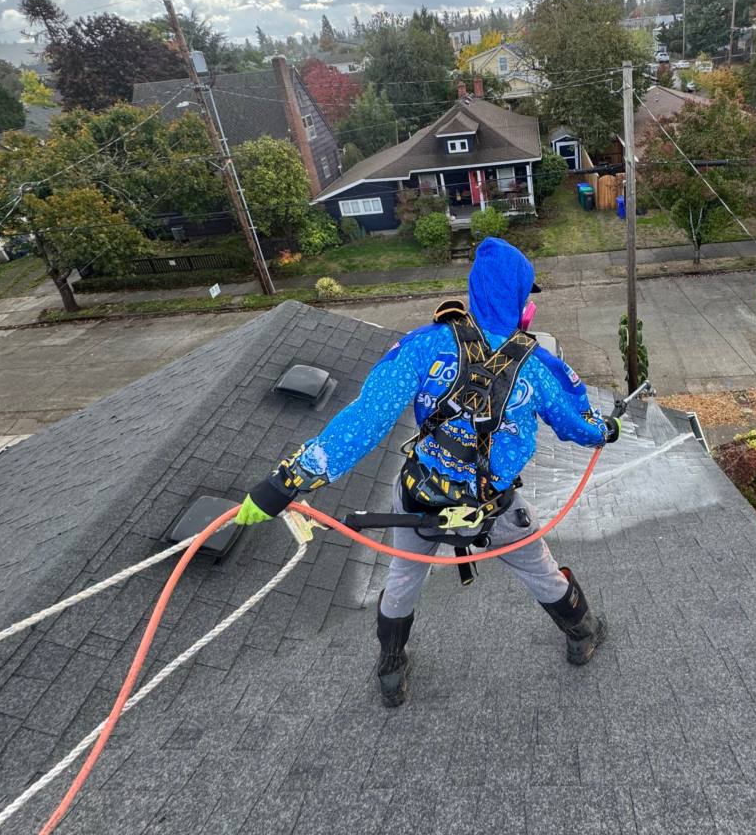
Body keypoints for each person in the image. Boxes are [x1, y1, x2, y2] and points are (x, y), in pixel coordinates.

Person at [235, 237, 620, 706]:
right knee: (540, 569)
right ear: (523, 305)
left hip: (421, 500)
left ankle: (391, 670)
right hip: (491, 509)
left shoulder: (425, 346)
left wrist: (287, 481)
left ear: (473, 293)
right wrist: (608, 429)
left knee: (401, 581)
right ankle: (582, 633)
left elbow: (365, 420)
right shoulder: (540, 369)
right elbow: (581, 428)